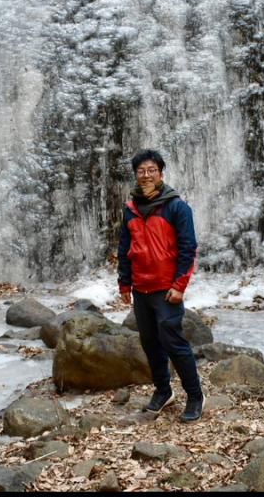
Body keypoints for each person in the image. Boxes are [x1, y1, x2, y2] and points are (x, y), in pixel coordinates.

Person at [117, 148, 204, 423]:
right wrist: (124, 283)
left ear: (160, 173)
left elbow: (188, 248)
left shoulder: (176, 207)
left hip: (166, 289)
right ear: (136, 175)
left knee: (175, 343)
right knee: (150, 343)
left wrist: (179, 286)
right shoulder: (130, 210)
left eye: (151, 170)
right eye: (141, 171)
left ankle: (194, 396)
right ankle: (163, 391)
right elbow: (124, 248)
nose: (146, 175)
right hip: (141, 289)